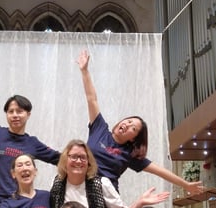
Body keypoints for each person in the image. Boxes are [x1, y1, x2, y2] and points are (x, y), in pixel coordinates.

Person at [76, 49, 204, 194]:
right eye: (129, 121)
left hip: (105, 196)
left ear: (134, 138)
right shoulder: (99, 128)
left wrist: (185, 184)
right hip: (81, 189)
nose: (127, 124)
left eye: (133, 128)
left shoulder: (130, 153)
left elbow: (159, 171)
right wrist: (85, 71)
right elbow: (91, 98)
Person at [49, 139, 169, 208]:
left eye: (83, 157)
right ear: (65, 160)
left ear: (89, 162)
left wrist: (140, 202)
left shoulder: (101, 184)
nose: (78, 161)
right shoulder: (56, 185)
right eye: (74, 157)